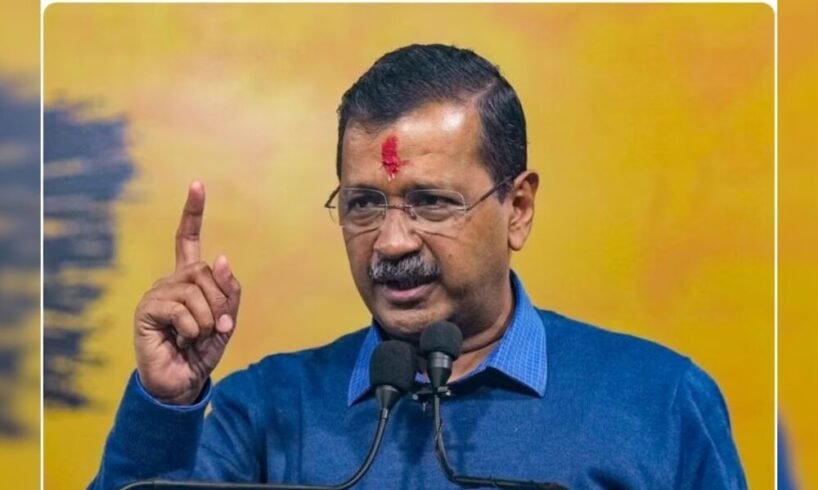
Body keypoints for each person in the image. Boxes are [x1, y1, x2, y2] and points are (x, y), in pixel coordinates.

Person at [90, 44, 746, 489]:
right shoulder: (266, 412)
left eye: (431, 202)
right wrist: (166, 405)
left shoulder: (659, 401)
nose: (392, 242)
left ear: (518, 208)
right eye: (364, 204)